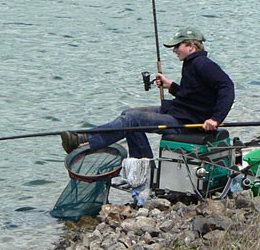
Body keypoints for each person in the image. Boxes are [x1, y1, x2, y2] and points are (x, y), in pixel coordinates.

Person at [61, 26, 235, 159]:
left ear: (190, 45)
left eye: (177, 46)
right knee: (128, 114)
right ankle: (143, 163)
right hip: (180, 112)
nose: (174, 50)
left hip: (188, 122)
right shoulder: (191, 63)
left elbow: (227, 87)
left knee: (132, 120)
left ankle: (85, 139)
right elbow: (194, 96)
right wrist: (171, 86)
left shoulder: (203, 64)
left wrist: (215, 119)